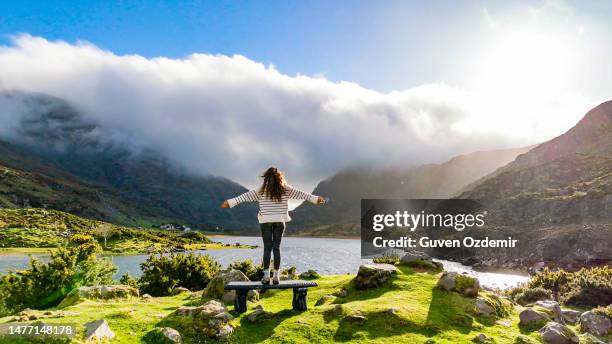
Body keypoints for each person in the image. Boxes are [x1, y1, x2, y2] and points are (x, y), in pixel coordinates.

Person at [221, 167, 326, 284]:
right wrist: (316, 199)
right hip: (280, 220)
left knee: (267, 248)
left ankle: (266, 277)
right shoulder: (285, 189)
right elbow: (300, 194)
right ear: (280, 177)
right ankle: (276, 277)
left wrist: (230, 203)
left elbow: (244, 197)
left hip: (265, 221)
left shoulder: (260, 190)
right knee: (276, 248)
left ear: (266, 178)